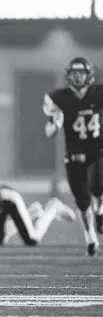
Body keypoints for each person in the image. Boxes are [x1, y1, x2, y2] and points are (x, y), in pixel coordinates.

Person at [43, 56, 103, 256]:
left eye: (81, 74)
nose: (78, 78)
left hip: (98, 149)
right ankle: (91, 236)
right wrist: (55, 124)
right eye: (74, 74)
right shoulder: (59, 98)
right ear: (69, 76)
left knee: (99, 186)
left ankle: (100, 210)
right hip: (75, 152)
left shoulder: (99, 94)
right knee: (82, 200)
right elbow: (49, 131)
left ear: (89, 76)